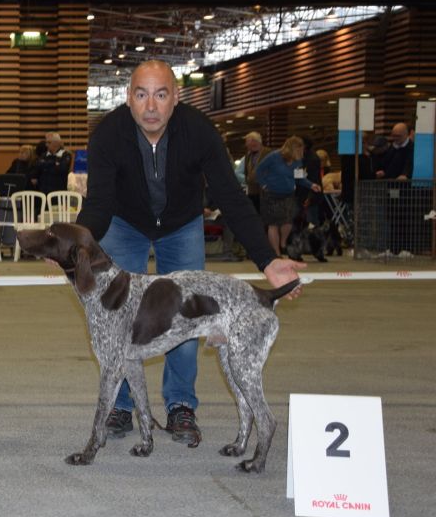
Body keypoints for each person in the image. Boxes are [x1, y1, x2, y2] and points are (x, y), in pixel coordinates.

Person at [76, 59, 305, 444]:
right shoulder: (108, 135)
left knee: (187, 316)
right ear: (128, 98)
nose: (151, 106)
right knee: (118, 318)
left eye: (161, 95)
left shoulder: (199, 131)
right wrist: (77, 246)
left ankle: (181, 404)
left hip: (181, 225)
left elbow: (231, 198)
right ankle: (122, 405)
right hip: (124, 224)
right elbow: (99, 204)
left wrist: (268, 260)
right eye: (142, 94)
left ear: (176, 98)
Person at [255, 136, 321, 256]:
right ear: (291, 149)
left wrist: (311, 185)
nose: (301, 154)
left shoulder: (297, 161)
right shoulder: (274, 157)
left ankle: (283, 243)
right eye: (299, 151)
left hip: (288, 195)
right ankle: (276, 252)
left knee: (288, 221)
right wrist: (264, 184)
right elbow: (259, 170)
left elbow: (300, 178)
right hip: (271, 195)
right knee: (273, 223)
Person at [241, 131, 269, 212]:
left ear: (254, 142)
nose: (246, 144)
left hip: (264, 193)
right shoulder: (248, 155)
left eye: (247, 142)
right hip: (251, 192)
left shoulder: (269, 153)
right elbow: (247, 171)